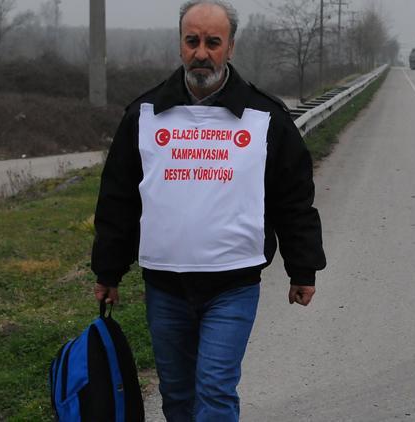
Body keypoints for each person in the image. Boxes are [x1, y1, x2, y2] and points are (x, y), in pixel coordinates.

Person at [91, 0, 326, 420]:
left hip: (232, 286)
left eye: (213, 42)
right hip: (165, 288)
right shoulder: (144, 115)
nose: (202, 52)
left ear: (230, 47)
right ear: (180, 45)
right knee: (177, 397)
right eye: (192, 41)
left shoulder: (263, 117)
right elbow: (119, 199)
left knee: (215, 392)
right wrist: (108, 271)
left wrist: (302, 268)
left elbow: (292, 197)